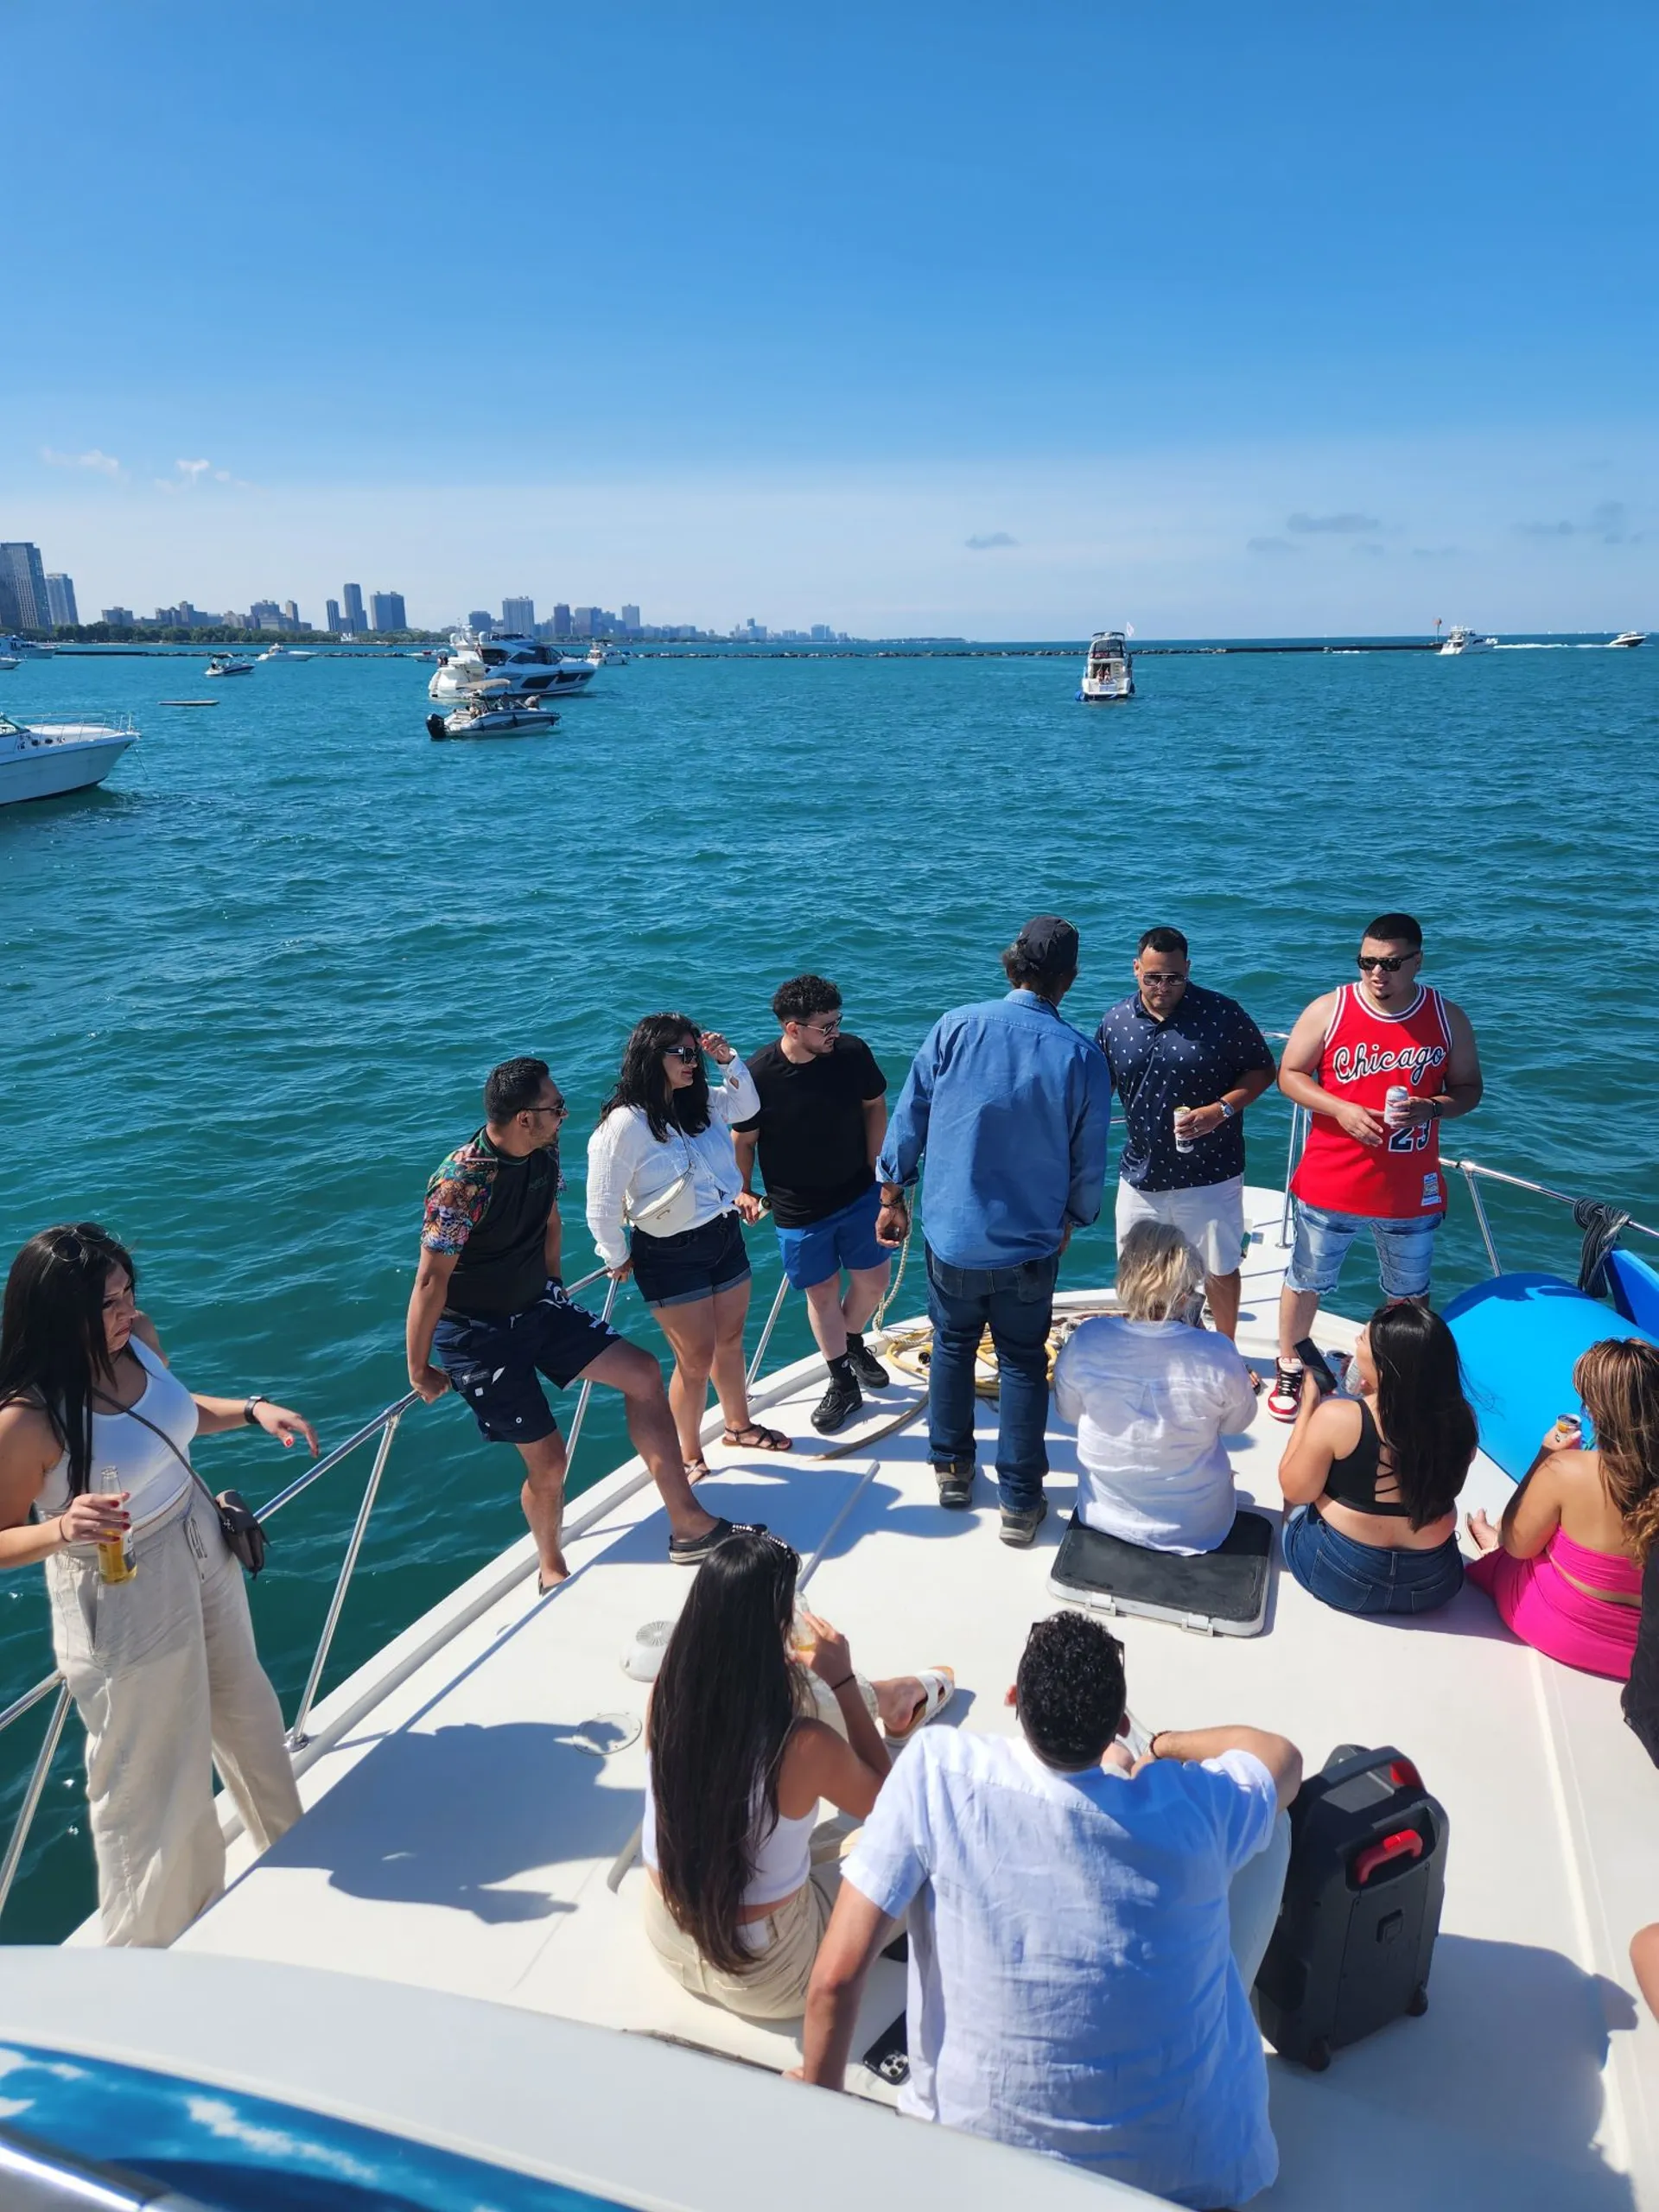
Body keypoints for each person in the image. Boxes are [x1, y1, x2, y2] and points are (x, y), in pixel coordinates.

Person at [798, 1610, 1300, 2209]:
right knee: (1276, 1825)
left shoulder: (937, 1772)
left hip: (967, 2170)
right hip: (1187, 2183)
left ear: (1016, 1702)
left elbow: (834, 1980)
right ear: (1115, 1723)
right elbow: (1282, 1758)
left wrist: (815, 2119)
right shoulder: (1193, 1803)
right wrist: (1162, 1751)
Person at [0, 1224, 315, 1948]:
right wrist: (59, 1528)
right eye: (107, 1303)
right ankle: (151, 1949)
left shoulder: (137, 1338)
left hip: (201, 1539)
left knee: (249, 1717)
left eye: (127, 1293)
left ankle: (295, 1855)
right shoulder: (29, 1416)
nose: (126, 1311)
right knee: (152, 1778)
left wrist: (249, 1409)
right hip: (122, 1585)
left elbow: (169, 1412)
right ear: (57, 1311)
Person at [408, 1057, 730, 1581]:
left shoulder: (543, 1149)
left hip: (538, 1305)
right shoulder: (461, 1182)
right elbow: (429, 1281)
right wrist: (418, 1369)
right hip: (478, 1335)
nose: (565, 1114)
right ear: (523, 1119)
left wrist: (553, 1287)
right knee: (551, 1463)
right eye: (555, 1107)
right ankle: (550, 1563)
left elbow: (550, 1221)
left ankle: (687, 1522)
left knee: (644, 1373)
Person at [642, 1528, 953, 2018]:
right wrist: (844, 1682)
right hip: (771, 1975)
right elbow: (894, 1813)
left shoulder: (667, 1693)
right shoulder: (802, 1745)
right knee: (924, 1849)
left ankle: (893, 1694)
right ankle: (896, 1697)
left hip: (667, 1935)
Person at [876, 917, 1112, 1545]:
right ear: (1069, 979)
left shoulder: (957, 1025)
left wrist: (892, 1191)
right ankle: (1019, 1499)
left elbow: (910, 1114)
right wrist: (1073, 1218)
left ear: (1012, 966)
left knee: (952, 1346)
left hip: (952, 1234)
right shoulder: (1083, 1056)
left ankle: (952, 1470)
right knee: (1022, 1363)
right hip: (1031, 1242)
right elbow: (1089, 1161)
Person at [1271, 912, 1483, 1420]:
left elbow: (1469, 1089)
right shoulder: (1330, 1009)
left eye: (1389, 963)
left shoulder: (1446, 1017)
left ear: (1417, 962)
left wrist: (1431, 1107)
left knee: (1409, 1294)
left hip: (1409, 1187)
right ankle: (1291, 1362)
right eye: (1367, 962)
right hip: (1332, 1179)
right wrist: (1340, 1108)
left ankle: (1398, 1375)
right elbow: (1289, 1074)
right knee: (1307, 1275)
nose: (1376, 973)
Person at [588, 1015, 791, 1474]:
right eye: (682, 1054)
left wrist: (727, 1060)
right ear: (650, 1058)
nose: (691, 1062)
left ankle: (738, 1426)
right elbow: (600, 1205)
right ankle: (687, 1453)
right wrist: (616, 1256)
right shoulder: (624, 1126)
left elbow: (746, 1110)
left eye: (693, 1053)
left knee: (732, 1341)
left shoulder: (700, 1104)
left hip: (723, 1235)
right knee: (694, 1359)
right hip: (669, 1254)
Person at [1095, 927, 1275, 1354]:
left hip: (1211, 1174)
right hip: (1141, 1175)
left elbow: (1261, 1070)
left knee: (1220, 1267)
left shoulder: (1222, 1014)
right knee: (1138, 1269)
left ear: (1188, 970)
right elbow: (1098, 1086)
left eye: (1173, 978)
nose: (1162, 988)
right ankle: (1149, 1348)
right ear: (1136, 969)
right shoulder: (1115, 1022)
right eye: (1152, 977)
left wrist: (1221, 1111)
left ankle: (1225, 1354)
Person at [732, 976, 892, 1435]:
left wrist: (878, 1169)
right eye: (825, 1026)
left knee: (873, 1280)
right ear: (792, 1028)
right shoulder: (757, 1075)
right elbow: (743, 1141)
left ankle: (852, 1342)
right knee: (821, 1294)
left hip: (858, 1190)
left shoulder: (852, 1053)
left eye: (838, 1022)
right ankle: (842, 1381)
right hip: (798, 1206)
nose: (834, 1032)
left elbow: (874, 1103)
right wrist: (743, 1188)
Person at [1052, 1221, 1258, 1554]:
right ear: (1185, 1293)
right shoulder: (1218, 1351)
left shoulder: (1087, 1340)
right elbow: (1238, 1424)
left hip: (1102, 1515)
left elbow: (1067, 1412)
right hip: (1198, 1527)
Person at [1465, 1338, 1659, 1679]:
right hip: (1646, 1654)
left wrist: (1545, 1458)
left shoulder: (1569, 1470)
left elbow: (1518, 1544)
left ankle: (1488, 1545)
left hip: (1562, 1630)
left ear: (1598, 1412)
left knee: (1518, 1545)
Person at [1277, 1300, 1475, 1615]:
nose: (1356, 1339)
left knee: (1300, 1491)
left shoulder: (1339, 1418)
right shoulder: (1464, 1419)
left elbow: (1294, 1490)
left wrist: (1310, 1408)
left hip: (1340, 1573)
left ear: (1385, 1366)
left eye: (1364, 1339)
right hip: (1433, 1582)